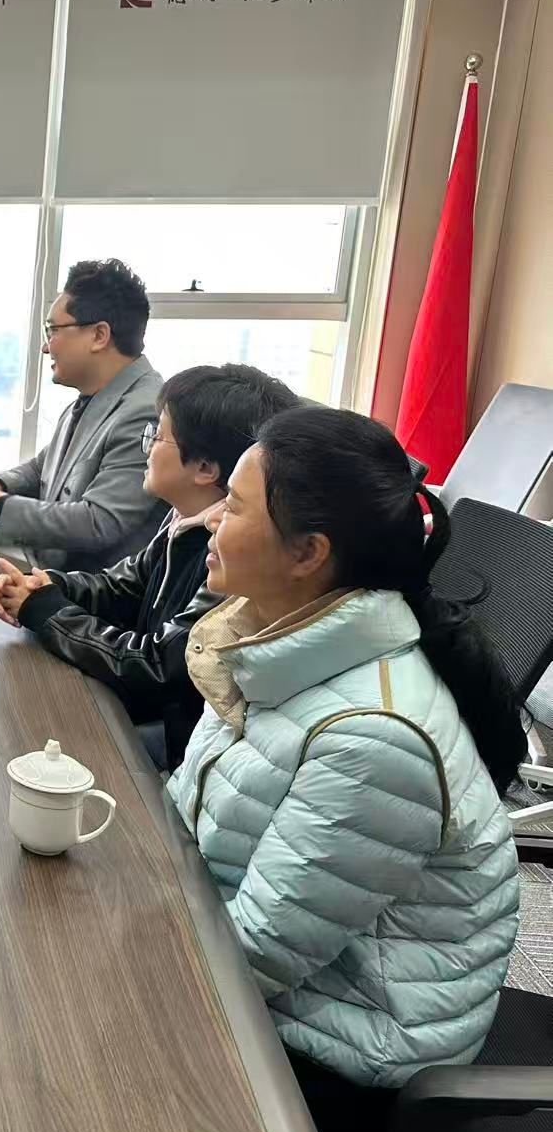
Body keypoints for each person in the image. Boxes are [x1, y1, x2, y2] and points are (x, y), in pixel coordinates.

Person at [166, 406, 521, 1093]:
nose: (211, 521)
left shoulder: (372, 737)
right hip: (269, 977)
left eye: (233, 507)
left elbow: (255, 959)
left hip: (348, 1045)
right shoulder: (274, 642)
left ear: (307, 554)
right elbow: (189, 814)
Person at [0, 364, 300, 766]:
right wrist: (46, 585)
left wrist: (46, 611)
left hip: (178, 745)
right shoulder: (183, 518)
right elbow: (125, 587)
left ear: (205, 468)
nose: (147, 447)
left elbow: (157, 669)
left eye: (158, 435)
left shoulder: (231, 556)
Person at [0, 258, 165, 571]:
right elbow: (43, 467)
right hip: (46, 571)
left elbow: (100, 521)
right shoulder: (92, 396)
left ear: (99, 335)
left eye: (53, 330)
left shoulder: (145, 412)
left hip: (85, 590)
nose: (45, 347)